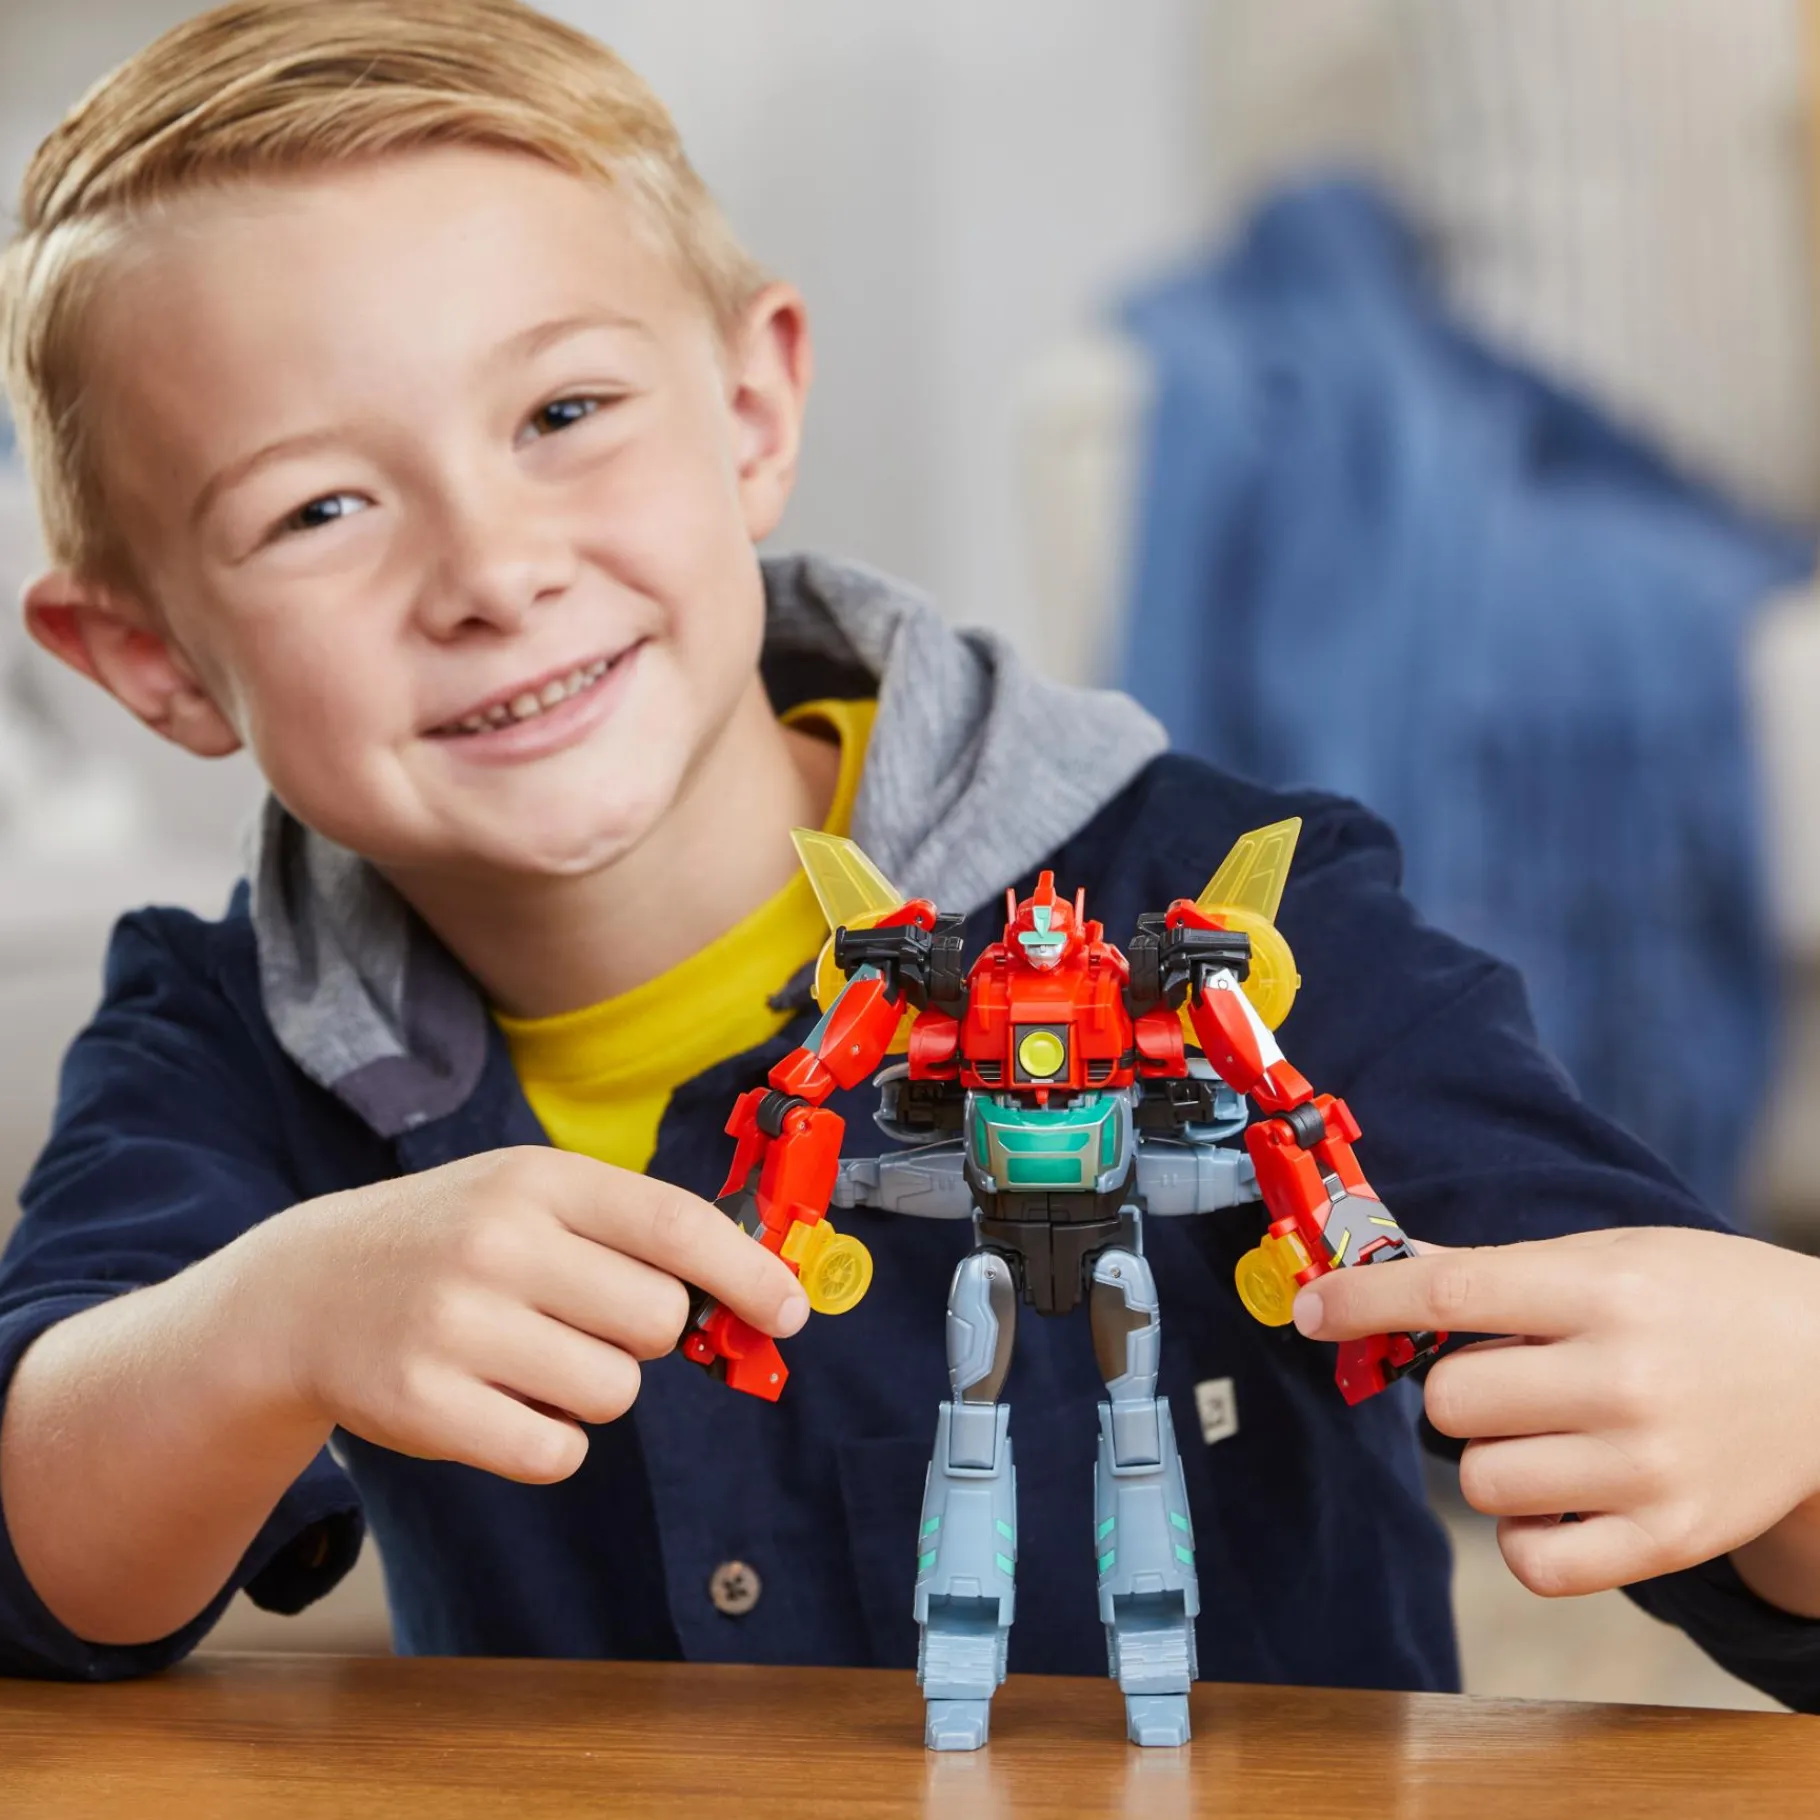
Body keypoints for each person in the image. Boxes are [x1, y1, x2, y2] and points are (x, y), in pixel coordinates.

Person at [2, 0, 1819, 1723]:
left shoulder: (1237, 911)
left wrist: (1796, 1402)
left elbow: (1714, 1471)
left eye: (562, 416)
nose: (491, 571)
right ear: (150, 659)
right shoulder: (226, 1035)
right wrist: (269, 1327)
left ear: (750, 412)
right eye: (318, 508)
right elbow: (37, 1569)